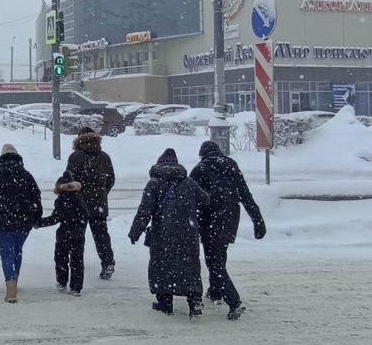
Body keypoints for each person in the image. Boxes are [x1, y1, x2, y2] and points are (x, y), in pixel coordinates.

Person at [127, 148, 210, 319]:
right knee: (190, 266)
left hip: (163, 233)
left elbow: (145, 211)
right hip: (188, 232)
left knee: (162, 266)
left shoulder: (154, 183)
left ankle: (165, 303)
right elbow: (205, 200)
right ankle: (194, 302)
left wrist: (136, 231)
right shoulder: (189, 182)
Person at [190, 140, 267, 320]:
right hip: (230, 221)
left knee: (214, 263)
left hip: (209, 221)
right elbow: (245, 195)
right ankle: (215, 290)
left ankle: (234, 302)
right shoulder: (232, 166)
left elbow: (190, 196)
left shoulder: (200, 169)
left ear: (202, 154)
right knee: (219, 256)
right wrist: (258, 220)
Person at [0, 143, 43, 304]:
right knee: (17, 250)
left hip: (2, 222)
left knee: (6, 253)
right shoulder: (27, 176)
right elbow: (36, 197)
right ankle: (15, 278)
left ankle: (10, 284)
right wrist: (37, 216)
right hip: (24, 222)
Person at [66, 126, 117, 281]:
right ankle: (108, 262)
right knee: (101, 234)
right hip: (99, 202)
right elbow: (111, 180)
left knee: (77, 235)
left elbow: (68, 179)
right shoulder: (105, 157)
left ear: (79, 139)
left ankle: (76, 263)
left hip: (79, 202)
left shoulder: (75, 156)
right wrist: (101, 193)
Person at [37, 170, 88, 296]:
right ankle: (76, 287)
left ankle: (62, 281)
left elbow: (55, 218)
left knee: (61, 258)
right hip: (78, 234)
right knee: (77, 260)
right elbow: (86, 216)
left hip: (64, 233)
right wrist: (80, 228)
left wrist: (39, 223)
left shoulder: (61, 201)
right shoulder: (80, 199)